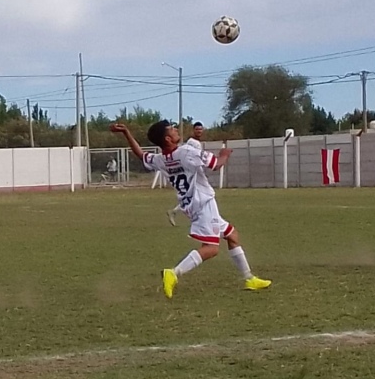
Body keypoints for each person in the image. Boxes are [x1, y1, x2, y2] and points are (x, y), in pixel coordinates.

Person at [111, 120, 271, 299]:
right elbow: (215, 165)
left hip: (191, 204)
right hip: (203, 204)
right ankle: (174, 272)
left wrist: (126, 133)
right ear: (167, 138)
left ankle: (249, 278)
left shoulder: (161, 159)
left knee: (232, 235)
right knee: (211, 248)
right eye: (171, 129)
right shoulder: (186, 152)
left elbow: (141, 155)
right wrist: (225, 154)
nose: (175, 130)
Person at [167, 121, 205, 226]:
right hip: (190, 172)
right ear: (194, 130)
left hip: (191, 172)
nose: (199, 131)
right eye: (197, 129)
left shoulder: (194, 142)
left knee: (193, 196)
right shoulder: (193, 142)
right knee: (195, 196)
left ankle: (175, 212)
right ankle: (195, 218)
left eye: (201, 129)